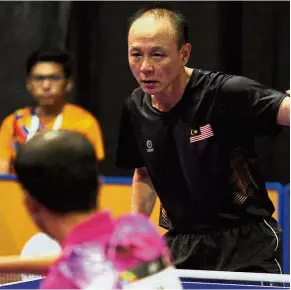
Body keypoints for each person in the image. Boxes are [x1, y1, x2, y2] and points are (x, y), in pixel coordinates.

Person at [116, 6, 290, 274]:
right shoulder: (135, 108)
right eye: (136, 54)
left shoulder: (224, 93)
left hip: (245, 244)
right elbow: (144, 172)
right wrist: (134, 231)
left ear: (184, 53)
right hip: (181, 246)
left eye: (158, 55)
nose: (145, 67)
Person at [11, 130, 181, 289]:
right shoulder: (140, 230)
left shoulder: (60, 283)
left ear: (31, 206)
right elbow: (90, 257)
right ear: (99, 185)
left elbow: (81, 260)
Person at [0, 47, 105, 174]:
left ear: (68, 84)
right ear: (29, 84)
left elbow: (92, 173)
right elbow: (3, 174)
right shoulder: (13, 122)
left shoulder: (84, 122)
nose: (46, 86)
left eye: (54, 78)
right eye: (39, 78)